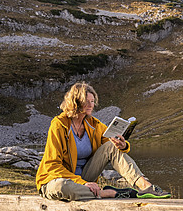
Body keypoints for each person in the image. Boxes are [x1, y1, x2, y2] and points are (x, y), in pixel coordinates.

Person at [35, 81, 170, 201]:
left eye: (92, 101)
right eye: (86, 101)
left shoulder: (94, 124)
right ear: (75, 101)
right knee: (61, 187)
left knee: (111, 146)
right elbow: (52, 165)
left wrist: (122, 145)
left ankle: (145, 187)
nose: (91, 105)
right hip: (56, 179)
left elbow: (111, 146)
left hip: (85, 178)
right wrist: (81, 182)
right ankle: (108, 193)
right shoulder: (59, 125)